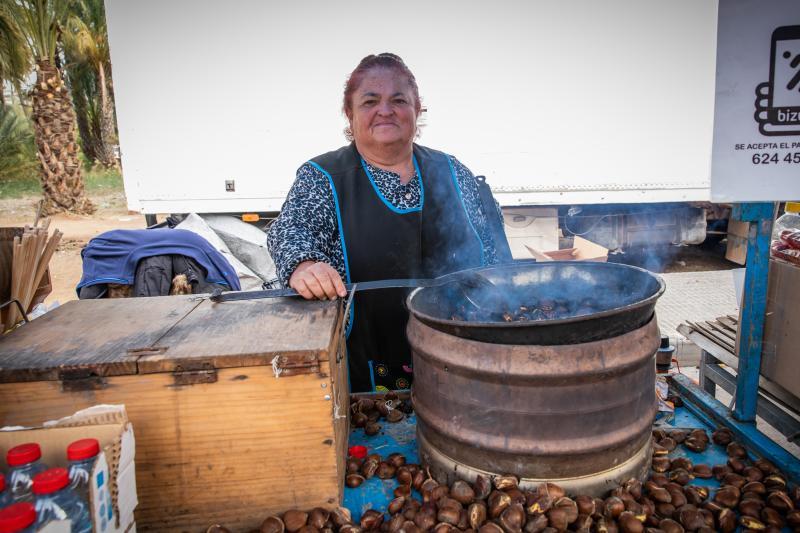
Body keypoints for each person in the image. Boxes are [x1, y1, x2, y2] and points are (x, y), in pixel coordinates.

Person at [267, 53, 504, 392]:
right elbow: (290, 231)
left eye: (398, 100)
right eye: (370, 101)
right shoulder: (324, 177)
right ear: (350, 114)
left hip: (463, 361)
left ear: (417, 109)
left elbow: (491, 251)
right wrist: (304, 266)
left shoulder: (453, 172)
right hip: (369, 372)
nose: (385, 110)